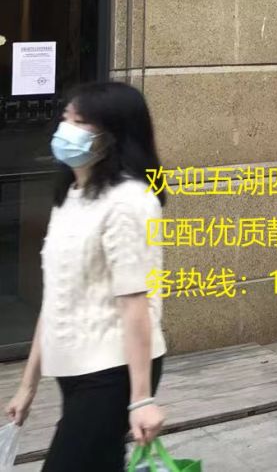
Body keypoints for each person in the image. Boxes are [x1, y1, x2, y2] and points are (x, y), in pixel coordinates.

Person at [5, 82, 167, 471]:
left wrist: (141, 399)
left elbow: (135, 304)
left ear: (112, 136)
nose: (66, 129)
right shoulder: (72, 197)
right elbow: (56, 298)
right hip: (73, 368)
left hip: (112, 369)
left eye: (80, 122)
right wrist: (27, 386)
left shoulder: (129, 202)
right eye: (66, 118)